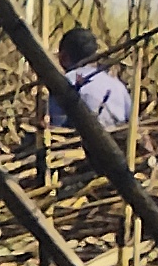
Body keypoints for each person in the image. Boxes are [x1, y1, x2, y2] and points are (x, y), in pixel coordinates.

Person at [47, 24, 134, 168]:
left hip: (77, 162)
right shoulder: (118, 86)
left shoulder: (64, 83)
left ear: (63, 57)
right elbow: (131, 126)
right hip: (118, 160)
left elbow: (55, 129)